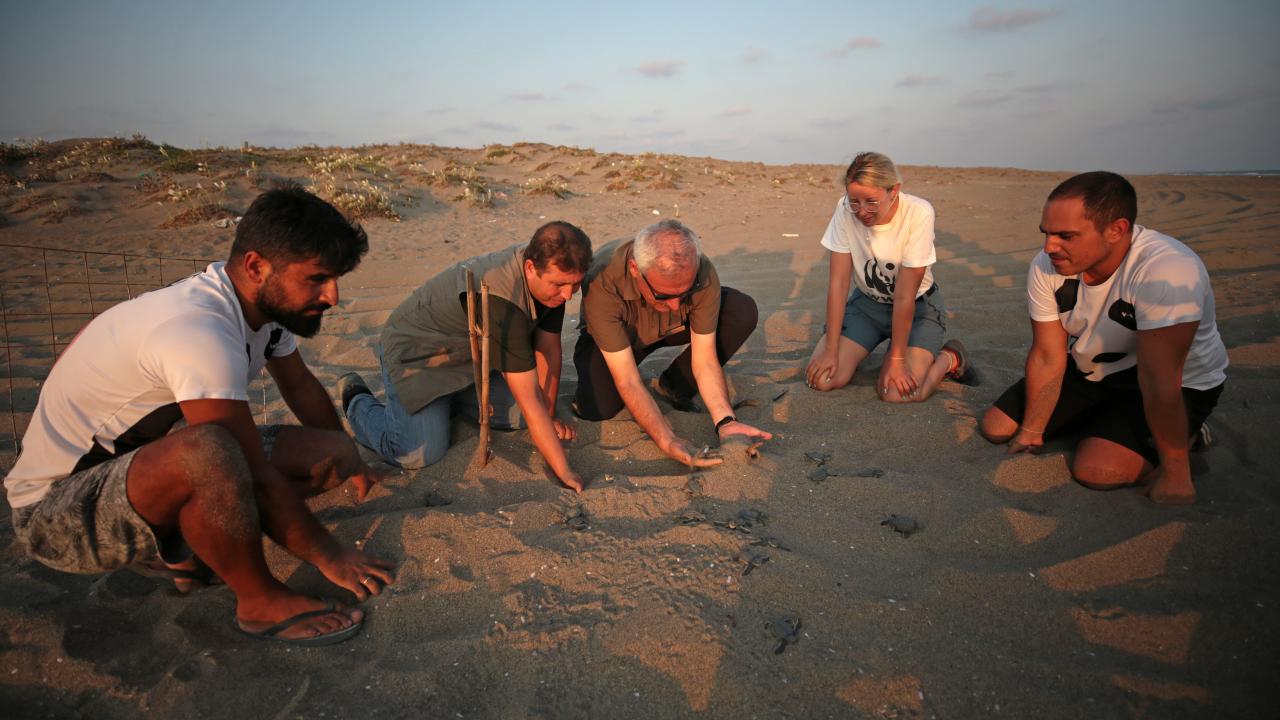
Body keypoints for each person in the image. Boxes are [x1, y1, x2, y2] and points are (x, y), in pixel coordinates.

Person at [4, 187, 394, 646]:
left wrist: (353, 462)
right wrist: (330, 555)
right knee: (210, 451)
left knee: (330, 453)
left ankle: (178, 546)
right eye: (317, 278)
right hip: (58, 514)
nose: (333, 296)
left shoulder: (259, 307)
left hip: (137, 468)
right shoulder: (198, 328)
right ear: (256, 266)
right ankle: (259, 602)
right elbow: (249, 470)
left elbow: (300, 385)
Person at [980, 171, 1228, 505]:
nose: (1049, 247)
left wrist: (1176, 475)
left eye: (1066, 236)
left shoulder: (1166, 269)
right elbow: (1048, 355)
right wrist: (1032, 432)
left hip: (1177, 382)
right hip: (1094, 369)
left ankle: (1189, 435)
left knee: (1096, 470)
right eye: (1046, 233)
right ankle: (1105, 428)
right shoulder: (1046, 265)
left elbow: (1160, 380)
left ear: (1116, 230)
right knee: (997, 427)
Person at [341, 221, 591, 492]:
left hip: (473, 359)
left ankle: (449, 403)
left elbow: (549, 350)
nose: (568, 295)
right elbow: (530, 399)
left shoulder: (550, 276)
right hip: (420, 355)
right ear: (530, 267)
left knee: (525, 416)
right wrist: (564, 471)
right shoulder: (502, 300)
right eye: (560, 285)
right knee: (417, 453)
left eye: (575, 284)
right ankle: (356, 400)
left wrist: (549, 417)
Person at [572, 219, 772, 467]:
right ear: (635, 269)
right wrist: (667, 439)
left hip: (669, 328)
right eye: (664, 295)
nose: (676, 305)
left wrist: (725, 422)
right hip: (617, 339)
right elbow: (628, 379)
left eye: (685, 293)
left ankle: (674, 385)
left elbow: (705, 360)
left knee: (740, 310)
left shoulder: (700, 271)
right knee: (598, 408)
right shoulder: (602, 279)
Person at [805, 151, 974, 401]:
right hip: (867, 305)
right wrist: (830, 349)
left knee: (896, 393)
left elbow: (904, 297)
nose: (861, 211)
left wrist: (897, 359)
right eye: (854, 201)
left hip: (917, 308)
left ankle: (950, 358)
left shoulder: (918, 212)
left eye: (871, 202)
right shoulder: (844, 210)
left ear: (893, 190)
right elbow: (839, 284)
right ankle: (865, 347)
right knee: (822, 379)